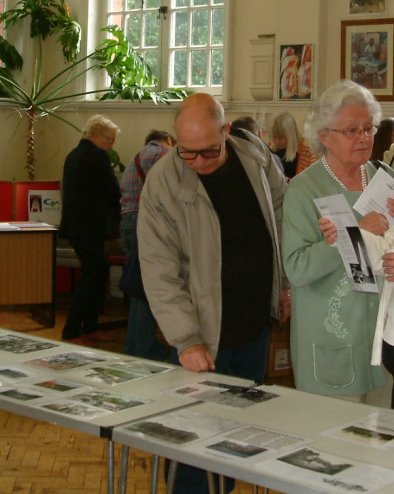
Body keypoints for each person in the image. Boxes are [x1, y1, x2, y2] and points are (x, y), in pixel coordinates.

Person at [137, 93, 288, 494]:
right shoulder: (164, 180)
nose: (199, 163)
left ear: (225, 131)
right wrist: (186, 339)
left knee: (236, 435)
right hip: (201, 334)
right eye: (188, 153)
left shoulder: (256, 161)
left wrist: (283, 287)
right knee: (192, 443)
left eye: (208, 152)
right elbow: (159, 270)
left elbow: (281, 221)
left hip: (253, 325)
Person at [282, 79, 394, 400]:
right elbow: (297, 268)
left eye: (368, 128)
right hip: (332, 336)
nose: (364, 138)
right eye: (351, 131)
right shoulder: (305, 189)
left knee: (380, 439)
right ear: (325, 137)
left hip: (382, 337)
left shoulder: (383, 177)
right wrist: (356, 231)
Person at [59, 114, 121, 340]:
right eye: (109, 139)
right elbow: (113, 190)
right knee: (92, 275)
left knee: (96, 271)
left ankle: (89, 323)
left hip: (75, 226)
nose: (111, 145)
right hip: (91, 227)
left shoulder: (73, 155)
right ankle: (74, 327)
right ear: (95, 134)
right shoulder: (97, 156)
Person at [119, 130, 175, 360]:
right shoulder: (162, 154)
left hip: (128, 221)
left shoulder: (137, 156)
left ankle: (134, 345)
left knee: (138, 287)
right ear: (169, 140)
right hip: (147, 223)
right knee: (147, 289)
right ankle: (144, 347)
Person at [270, 111, 317, 179]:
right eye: (275, 137)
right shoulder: (272, 152)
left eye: (281, 137)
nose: (277, 141)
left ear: (291, 136)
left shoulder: (307, 152)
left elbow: (312, 180)